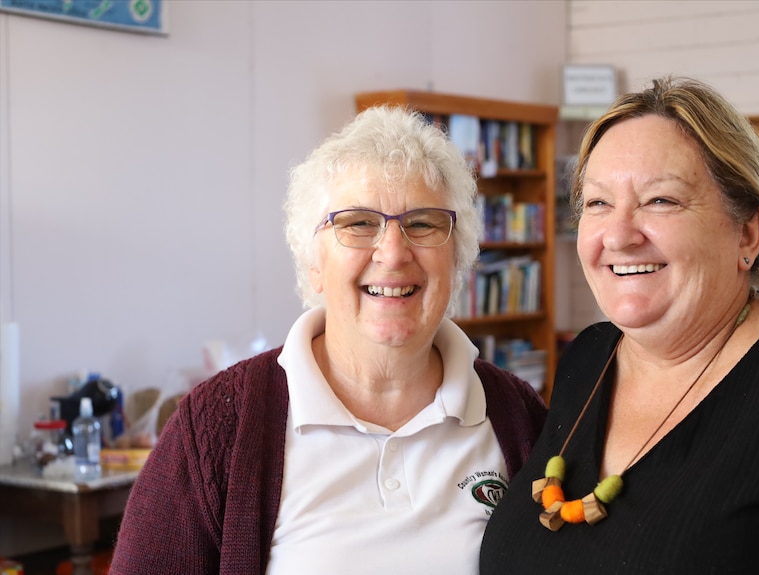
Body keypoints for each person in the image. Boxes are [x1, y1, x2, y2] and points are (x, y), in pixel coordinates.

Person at [109, 106, 547, 574]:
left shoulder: (518, 417)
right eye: (358, 223)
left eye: (423, 224)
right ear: (313, 262)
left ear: (457, 259)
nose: (394, 253)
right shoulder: (216, 428)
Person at [480, 76, 759, 574]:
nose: (617, 236)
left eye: (661, 200)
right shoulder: (589, 357)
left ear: (748, 232)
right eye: (597, 203)